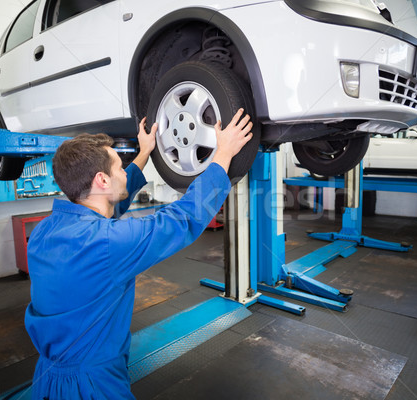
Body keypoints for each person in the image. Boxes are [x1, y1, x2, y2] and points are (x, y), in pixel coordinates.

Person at [24, 108, 253, 399]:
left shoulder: (44, 232)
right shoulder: (107, 244)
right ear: (102, 181)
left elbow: (105, 210)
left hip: (46, 380)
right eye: (120, 167)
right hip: (92, 386)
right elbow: (182, 220)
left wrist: (145, 152)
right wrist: (224, 154)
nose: (124, 171)